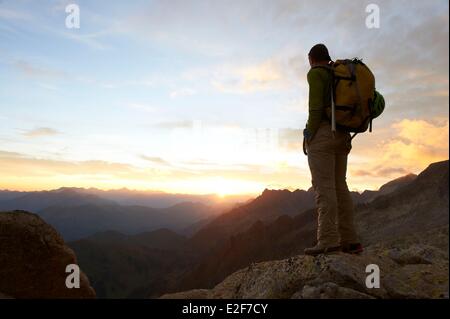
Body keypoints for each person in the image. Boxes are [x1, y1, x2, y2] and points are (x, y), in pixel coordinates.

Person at [303, 44, 363, 256]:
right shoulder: (339, 74)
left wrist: (308, 134)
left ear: (311, 58)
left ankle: (328, 240)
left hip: (324, 135)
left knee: (324, 187)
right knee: (340, 186)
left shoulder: (316, 74)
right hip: (343, 136)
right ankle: (350, 241)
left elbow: (316, 108)